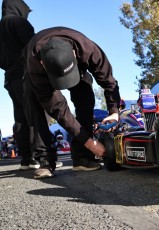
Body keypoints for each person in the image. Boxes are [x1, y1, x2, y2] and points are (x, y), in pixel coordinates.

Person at [24, 27, 121, 178]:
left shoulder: (88, 49)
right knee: (37, 109)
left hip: (78, 65)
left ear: (74, 55)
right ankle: (45, 161)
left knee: (86, 97)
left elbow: (109, 82)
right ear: (43, 63)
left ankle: (82, 158)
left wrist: (114, 112)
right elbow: (59, 110)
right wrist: (91, 143)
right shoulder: (35, 65)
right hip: (37, 73)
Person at [0, 0, 40, 169]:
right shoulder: (19, 22)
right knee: (36, 113)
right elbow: (33, 47)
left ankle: (26, 159)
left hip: (9, 77)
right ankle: (41, 157)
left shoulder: (1, 26)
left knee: (20, 117)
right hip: (25, 74)